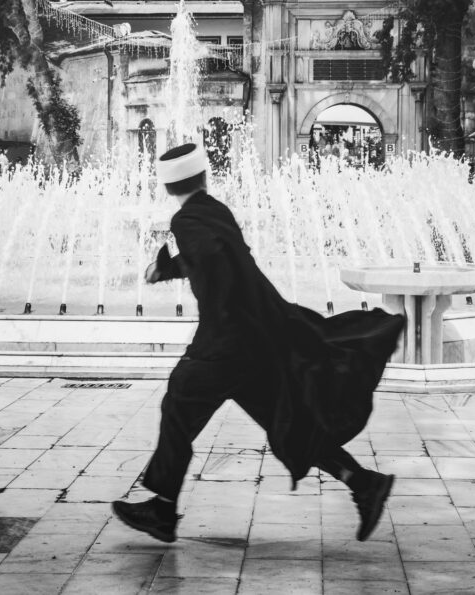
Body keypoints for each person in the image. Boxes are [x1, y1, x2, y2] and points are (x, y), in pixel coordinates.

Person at [111, 143, 405, 544]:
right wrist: (169, 269)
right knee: (287, 422)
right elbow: (218, 255)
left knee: (179, 400)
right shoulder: (214, 210)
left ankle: (162, 508)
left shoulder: (186, 220)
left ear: (167, 186)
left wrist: (209, 319)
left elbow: (213, 258)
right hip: (260, 338)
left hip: (227, 342)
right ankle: (363, 483)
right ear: (203, 177)